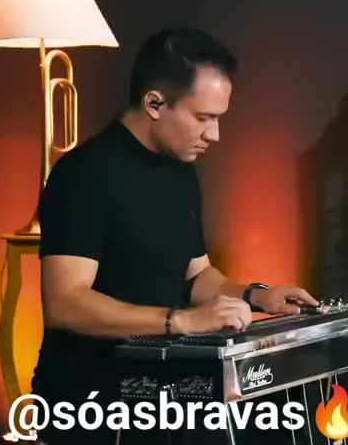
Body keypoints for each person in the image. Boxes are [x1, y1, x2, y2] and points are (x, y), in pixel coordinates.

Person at [30, 27, 321, 444]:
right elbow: (65, 303)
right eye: (203, 118)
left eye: (218, 118)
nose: (214, 134)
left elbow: (197, 276)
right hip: (89, 405)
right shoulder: (84, 174)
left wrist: (257, 296)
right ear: (154, 103)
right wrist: (179, 321)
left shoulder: (181, 172)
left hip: (160, 398)